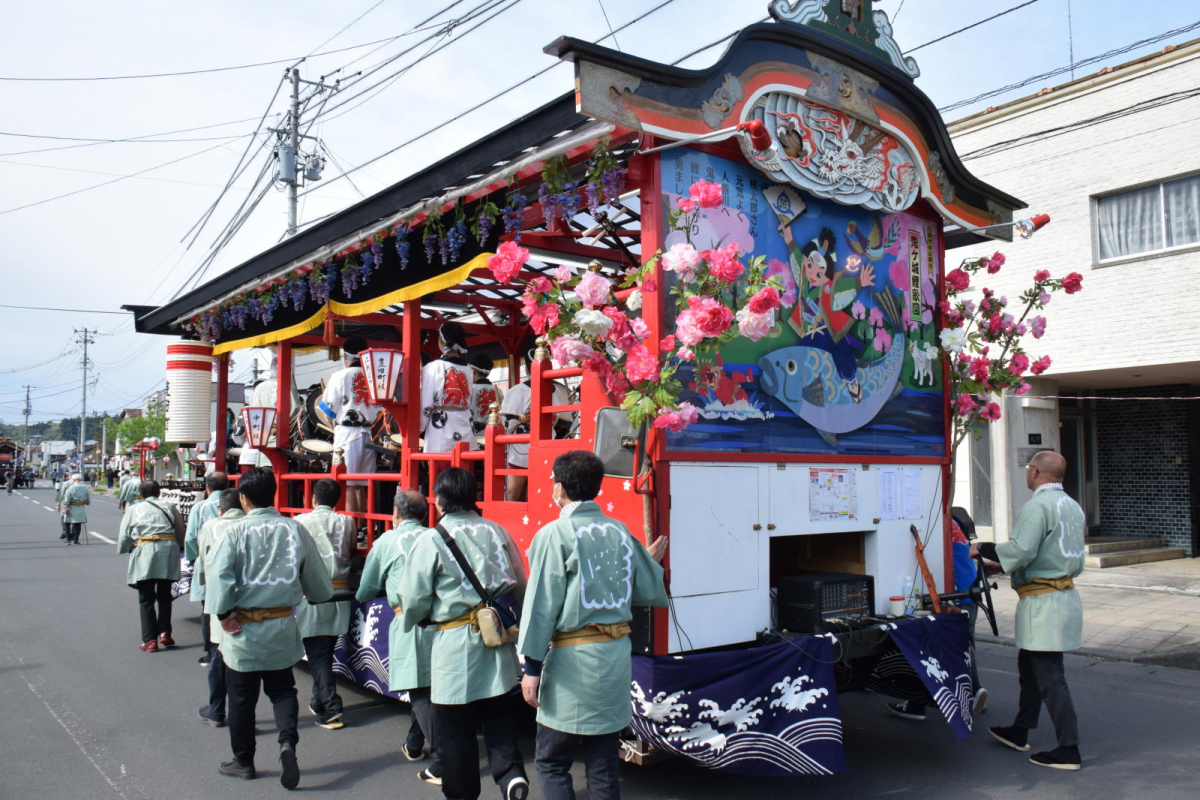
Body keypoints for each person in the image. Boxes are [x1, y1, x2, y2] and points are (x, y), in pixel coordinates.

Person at [517, 451, 668, 800]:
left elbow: (541, 605)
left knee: (552, 760)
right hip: (614, 657)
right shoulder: (619, 532)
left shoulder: (555, 533)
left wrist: (532, 667)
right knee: (602, 763)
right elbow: (647, 589)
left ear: (558, 488)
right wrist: (645, 559)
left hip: (572, 660)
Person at [398, 468, 529, 800]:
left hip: (454, 644)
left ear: (439, 500)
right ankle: (511, 774)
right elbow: (520, 583)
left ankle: (462, 793)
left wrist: (412, 617)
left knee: (456, 730)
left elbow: (413, 599)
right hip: (497, 638)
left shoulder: (432, 538)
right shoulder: (497, 530)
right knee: (499, 714)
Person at [205, 467, 334, 788]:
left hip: (243, 629)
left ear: (244, 499)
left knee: (241, 699)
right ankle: (287, 742)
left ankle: (244, 760)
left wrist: (223, 615)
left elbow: (219, 580)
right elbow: (319, 587)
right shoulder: (295, 529)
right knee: (282, 690)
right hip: (281, 625)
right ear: (273, 494)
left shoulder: (233, 533)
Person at [971, 450, 1085, 771]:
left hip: (1043, 603)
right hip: (1062, 597)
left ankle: (1069, 748)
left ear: (1034, 472)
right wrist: (1001, 566)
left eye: (1028, 468)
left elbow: (1021, 550)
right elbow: (1046, 553)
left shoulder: (1037, 506)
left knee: (1050, 676)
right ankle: (1020, 730)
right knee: (1030, 669)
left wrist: (982, 548)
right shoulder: (1072, 506)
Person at [357, 489, 442, 785]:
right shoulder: (438, 537)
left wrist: (360, 598)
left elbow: (367, 586)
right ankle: (414, 744)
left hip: (409, 619)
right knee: (430, 686)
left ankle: (442, 760)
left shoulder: (387, 541)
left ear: (395, 513)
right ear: (424, 514)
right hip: (444, 620)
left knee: (419, 689)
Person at [886, 514, 988, 721]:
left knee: (927, 648)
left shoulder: (933, 523)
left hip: (956, 591)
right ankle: (974, 693)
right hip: (969, 590)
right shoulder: (951, 520)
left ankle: (919, 703)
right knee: (963, 645)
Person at [293, 479, 355, 731]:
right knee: (324, 650)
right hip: (341, 592)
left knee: (317, 652)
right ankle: (318, 701)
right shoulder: (348, 521)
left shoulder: (300, 521)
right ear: (337, 500)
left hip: (314, 592)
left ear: (313, 499)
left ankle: (331, 705)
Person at [194, 490, 245, 727]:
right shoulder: (251, 526)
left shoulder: (212, 526)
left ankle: (216, 710)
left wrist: (208, 590)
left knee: (218, 656)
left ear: (221, 509)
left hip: (221, 601)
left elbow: (204, 563)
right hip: (252, 602)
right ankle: (242, 715)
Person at [317, 337, 380, 524]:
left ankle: (351, 527)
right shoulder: (373, 377)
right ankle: (362, 528)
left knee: (349, 484)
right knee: (361, 485)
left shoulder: (340, 375)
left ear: (346, 356)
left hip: (347, 433)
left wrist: (331, 425)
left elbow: (327, 410)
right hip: (368, 433)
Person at [117, 480, 185, 651]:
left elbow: (125, 535)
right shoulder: (169, 507)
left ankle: (149, 640)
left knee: (146, 598)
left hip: (145, 550)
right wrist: (181, 547)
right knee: (164, 595)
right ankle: (165, 633)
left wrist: (124, 548)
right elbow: (180, 529)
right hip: (168, 551)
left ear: (140, 495)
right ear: (159, 492)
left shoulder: (133, 509)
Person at [498, 355, 571, 501]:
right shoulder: (555, 391)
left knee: (513, 494)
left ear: (526, 368)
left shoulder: (517, 390)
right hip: (545, 446)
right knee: (538, 496)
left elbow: (507, 423)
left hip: (521, 447)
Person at [186, 472, 230, 666]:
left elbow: (190, 538)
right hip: (233, 563)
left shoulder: (200, 507)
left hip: (208, 562)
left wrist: (192, 558)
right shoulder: (235, 504)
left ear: (207, 488)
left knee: (208, 608)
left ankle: (210, 652)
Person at [419, 322, 475, 453]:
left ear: (441, 341)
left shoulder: (433, 367)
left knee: (440, 470)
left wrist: (419, 426)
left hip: (442, 426)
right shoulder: (469, 369)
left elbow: (426, 402)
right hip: (465, 422)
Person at [469, 354, 503, 437]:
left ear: (473, 370)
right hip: (493, 434)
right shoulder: (498, 391)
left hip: (474, 435)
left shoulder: (471, 389)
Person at [61, 473, 91, 546]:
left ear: (73, 480)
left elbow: (67, 500)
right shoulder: (85, 487)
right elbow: (87, 500)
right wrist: (85, 502)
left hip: (71, 507)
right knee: (77, 524)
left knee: (67, 523)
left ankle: (68, 540)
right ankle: (76, 540)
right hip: (80, 507)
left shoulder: (71, 487)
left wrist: (65, 507)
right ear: (80, 479)